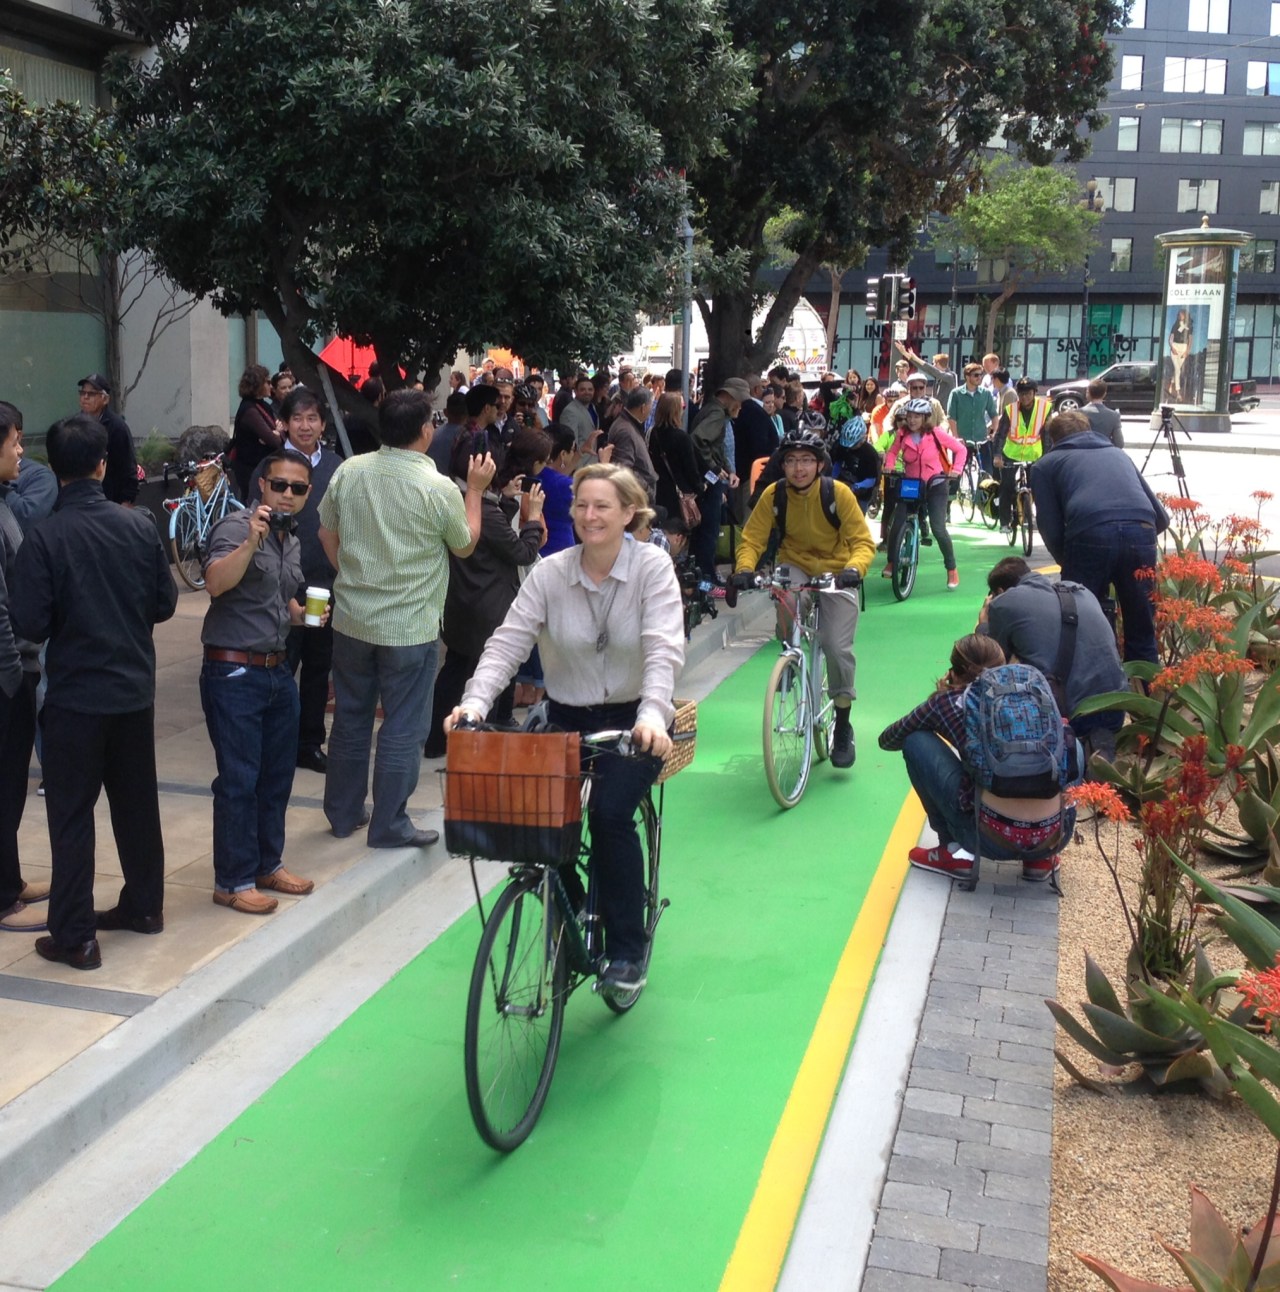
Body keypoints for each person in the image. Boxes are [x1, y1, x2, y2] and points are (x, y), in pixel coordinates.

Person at [448, 464, 684, 994]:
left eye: (602, 506)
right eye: (581, 504)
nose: (589, 515)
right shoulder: (550, 572)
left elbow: (664, 646)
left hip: (632, 721)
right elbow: (508, 642)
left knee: (608, 814)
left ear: (629, 512)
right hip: (565, 718)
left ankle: (627, 949)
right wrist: (474, 703)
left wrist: (652, 715)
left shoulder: (652, 569)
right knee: (528, 825)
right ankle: (575, 907)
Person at [11, 415, 177, 970]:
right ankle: (145, 906)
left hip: (76, 698)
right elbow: (164, 604)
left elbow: (30, 622)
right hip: (132, 691)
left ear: (53, 470)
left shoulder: (46, 536)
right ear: (104, 465)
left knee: (72, 815)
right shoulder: (138, 527)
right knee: (136, 804)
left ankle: (76, 935)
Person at [318, 390, 491, 848]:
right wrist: (474, 491)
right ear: (426, 431)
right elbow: (465, 544)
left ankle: (343, 813)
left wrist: (350, 575)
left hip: (353, 619)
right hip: (409, 628)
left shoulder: (350, 471)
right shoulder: (437, 487)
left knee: (351, 719)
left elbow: (326, 531)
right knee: (403, 726)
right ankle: (390, 823)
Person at [201, 449, 317, 915]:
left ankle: (268, 864)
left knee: (275, 777)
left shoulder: (292, 539)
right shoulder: (236, 526)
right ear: (262, 486)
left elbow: (277, 597)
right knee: (238, 780)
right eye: (280, 485)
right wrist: (250, 542)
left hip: (276, 669)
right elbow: (214, 583)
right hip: (234, 672)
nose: (288, 495)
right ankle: (232, 880)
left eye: (299, 488)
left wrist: (303, 616)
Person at [879, 633, 1074, 884]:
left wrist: (940, 704)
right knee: (1069, 746)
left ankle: (954, 851)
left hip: (988, 839)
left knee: (915, 741)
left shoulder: (947, 701)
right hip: (1052, 835)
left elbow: (888, 740)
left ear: (954, 672)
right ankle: (1040, 859)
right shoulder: (1034, 695)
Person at [731, 429, 874, 768]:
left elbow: (863, 543)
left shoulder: (837, 493)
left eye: (806, 461)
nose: (798, 468)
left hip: (838, 571)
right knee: (785, 601)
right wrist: (745, 568)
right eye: (791, 461)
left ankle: (842, 722)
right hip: (794, 563)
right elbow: (752, 539)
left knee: (837, 648)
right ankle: (791, 654)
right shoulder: (773, 495)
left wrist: (855, 569)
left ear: (820, 464)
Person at [425, 449, 546, 756]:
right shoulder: (483, 509)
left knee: (455, 668)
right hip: (488, 606)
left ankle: (437, 741)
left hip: (461, 603)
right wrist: (532, 518)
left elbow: (487, 537)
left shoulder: (456, 501)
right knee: (487, 673)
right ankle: (477, 744)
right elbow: (522, 553)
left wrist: (504, 500)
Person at [248, 386, 342, 773]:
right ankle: (278, 743)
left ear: (322, 423)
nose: (305, 426)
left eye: (313, 418)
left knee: (319, 667)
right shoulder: (269, 468)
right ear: (284, 423)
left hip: (323, 582)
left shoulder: (337, 467)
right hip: (280, 584)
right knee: (282, 666)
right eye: (297, 418)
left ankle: (309, 742)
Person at [1030, 411, 1169, 667]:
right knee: (1141, 623)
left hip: (1089, 532)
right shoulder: (1118, 454)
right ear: (1089, 430)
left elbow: (1049, 528)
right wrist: (1137, 541)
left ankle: (1097, 692)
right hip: (1141, 530)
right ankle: (1145, 695)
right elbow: (1161, 517)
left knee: (1082, 621)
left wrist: (1070, 561)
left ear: (1053, 439)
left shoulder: (1045, 465)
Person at [978, 555, 1126, 765]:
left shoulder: (1003, 604)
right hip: (1115, 705)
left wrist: (983, 625)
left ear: (999, 592)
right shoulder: (1079, 590)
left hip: (1068, 714)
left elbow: (989, 663)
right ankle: (1097, 757)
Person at [0, 407, 47, 933]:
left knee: (12, 786)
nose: (20, 451)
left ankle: (9, 881)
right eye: (14, 441)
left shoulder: (7, 502)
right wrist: (13, 675)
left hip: (18, 668)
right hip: (7, 675)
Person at [881, 399, 967, 589]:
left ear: (925, 418)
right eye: (909, 416)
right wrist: (888, 466)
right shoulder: (902, 434)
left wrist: (956, 469)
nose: (912, 420)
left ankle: (951, 569)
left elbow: (960, 450)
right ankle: (892, 561)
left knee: (938, 528)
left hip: (935, 484)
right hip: (911, 484)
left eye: (917, 416)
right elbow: (893, 453)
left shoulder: (936, 434)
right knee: (898, 523)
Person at [689, 378, 746, 585]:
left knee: (706, 532)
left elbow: (714, 446)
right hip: (708, 481)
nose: (740, 406)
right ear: (729, 396)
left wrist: (725, 469)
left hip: (708, 479)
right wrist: (713, 468)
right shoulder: (716, 414)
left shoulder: (713, 411)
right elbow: (698, 440)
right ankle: (706, 581)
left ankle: (704, 580)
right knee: (708, 532)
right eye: (739, 400)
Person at [994, 377, 1050, 533]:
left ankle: (1039, 519)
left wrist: (1047, 456)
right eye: (1022, 394)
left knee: (1038, 488)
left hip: (1034, 454)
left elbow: (1047, 435)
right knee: (1007, 485)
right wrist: (997, 456)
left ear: (1034, 393)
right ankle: (1004, 522)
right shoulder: (1010, 410)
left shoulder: (1045, 408)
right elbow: (1000, 434)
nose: (1025, 397)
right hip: (1011, 454)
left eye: (1028, 393)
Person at [76, 374, 139, 507]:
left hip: (111, 502)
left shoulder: (117, 427)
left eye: (91, 394)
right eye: (83, 392)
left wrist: (126, 503)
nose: (85, 397)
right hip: (80, 500)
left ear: (105, 399)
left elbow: (128, 468)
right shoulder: (74, 425)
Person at [230, 364, 284, 498]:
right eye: (267, 382)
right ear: (257, 384)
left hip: (265, 465)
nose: (270, 386)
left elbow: (281, 432)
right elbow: (273, 440)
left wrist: (276, 433)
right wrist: (275, 433)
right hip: (251, 469)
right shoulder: (249, 409)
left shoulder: (264, 405)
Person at [605, 387, 658, 500]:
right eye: (651, 405)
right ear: (643, 408)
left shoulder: (628, 424)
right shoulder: (625, 430)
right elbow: (623, 469)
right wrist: (646, 489)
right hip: (636, 496)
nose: (651, 410)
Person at [946, 362, 997, 474]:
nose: (979, 377)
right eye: (976, 375)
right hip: (963, 441)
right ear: (967, 376)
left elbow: (994, 414)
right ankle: (953, 491)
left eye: (981, 375)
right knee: (956, 474)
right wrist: (956, 437)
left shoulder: (986, 393)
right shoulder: (956, 393)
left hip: (981, 439)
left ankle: (982, 492)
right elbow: (951, 417)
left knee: (988, 474)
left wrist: (994, 431)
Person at [1083, 378, 1124, 447]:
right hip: (1105, 454)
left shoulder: (1077, 414)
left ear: (1088, 393)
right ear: (1104, 394)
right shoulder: (1114, 416)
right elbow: (1119, 444)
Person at [1168, 308, 1192, 401]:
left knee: (1177, 370)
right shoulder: (1175, 325)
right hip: (1175, 347)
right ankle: (1178, 393)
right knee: (1177, 370)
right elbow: (1170, 338)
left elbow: (1190, 340)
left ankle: (1171, 381)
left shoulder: (1189, 326)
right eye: (1179, 315)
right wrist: (1172, 347)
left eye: (1181, 314)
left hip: (1183, 348)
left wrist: (1187, 351)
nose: (1180, 316)